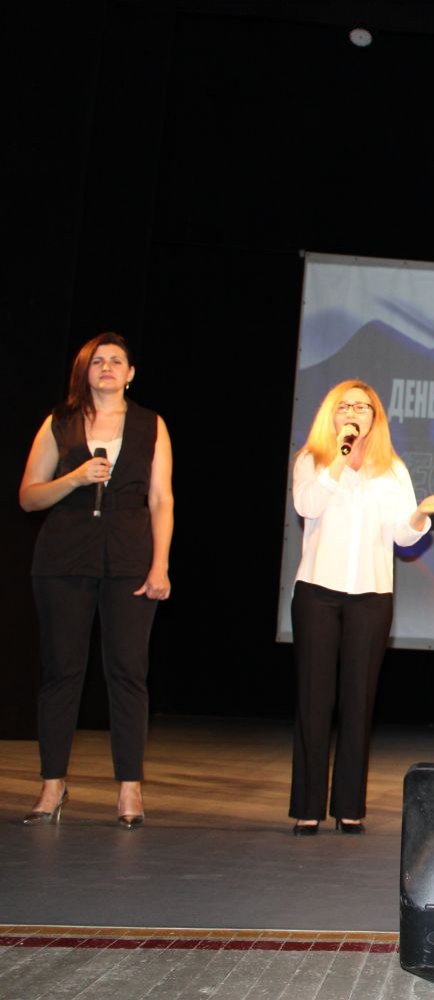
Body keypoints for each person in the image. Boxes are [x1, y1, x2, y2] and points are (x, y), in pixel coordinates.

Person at [289, 380, 434, 835]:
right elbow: (306, 504)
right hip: (317, 591)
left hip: (371, 595)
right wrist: (339, 458)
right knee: (314, 699)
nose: (353, 413)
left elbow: (401, 534)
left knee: (358, 700)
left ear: (375, 417)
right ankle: (307, 806)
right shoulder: (312, 459)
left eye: (362, 407)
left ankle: (349, 806)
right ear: (331, 414)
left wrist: (419, 515)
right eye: (345, 406)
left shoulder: (392, 469)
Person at [19, 332, 174, 829]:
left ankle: (130, 788)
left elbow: (161, 499)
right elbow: (28, 496)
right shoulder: (59, 422)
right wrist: (74, 479)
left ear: (131, 374)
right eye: (98, 361)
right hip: (64, 558)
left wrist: (160, 565)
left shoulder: (151, 424)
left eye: (117, 360)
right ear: (84, 372)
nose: (107, 366)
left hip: (130, 560)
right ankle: (52, 784)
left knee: (127, 671)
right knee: (61, 670)